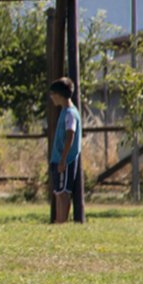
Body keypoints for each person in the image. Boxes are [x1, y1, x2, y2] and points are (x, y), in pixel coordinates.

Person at [48, 77, 83, 225]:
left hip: (65, 160)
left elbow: (70, 135)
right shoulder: (64, 111)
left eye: (53, 94)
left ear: (59, 95)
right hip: (58, 158)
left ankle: (62, 221)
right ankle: (59, 220)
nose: (51, 97)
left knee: (63, 193)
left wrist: (63, 159)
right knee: (58, 191)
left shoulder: (70, 113)